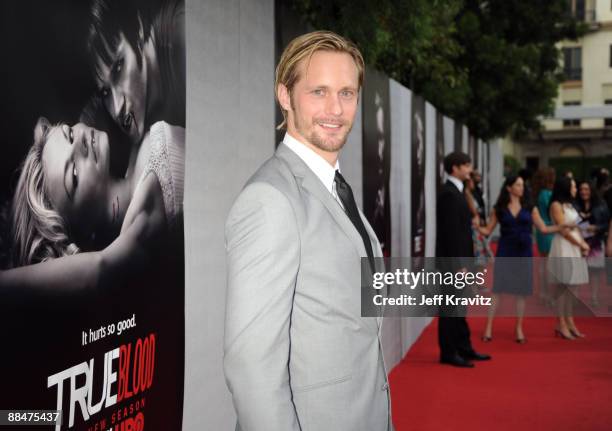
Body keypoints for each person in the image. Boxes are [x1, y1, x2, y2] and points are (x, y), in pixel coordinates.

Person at [223, 31, 390, 430]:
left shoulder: (335, 189)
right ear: (286, 96)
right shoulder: (270, 199)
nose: (335, 108)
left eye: (347, 93)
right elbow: (252, 368)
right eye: (319, 92)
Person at [0, 117, 184, 288]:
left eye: (69, 135)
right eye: (74, 174)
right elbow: (100, 268)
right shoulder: (141, 216)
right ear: (84, 233)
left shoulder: (134, 151)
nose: (81, 143)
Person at [478, 176, 567, 343]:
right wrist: (474, 225)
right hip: (505, 251)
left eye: (522, 185)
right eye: (518, 185)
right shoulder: (499, 208)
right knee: (497, 290)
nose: (522, 188)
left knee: (521, 292)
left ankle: (518, 328)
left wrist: (562, 226)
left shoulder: (530, 207)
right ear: (509, 188)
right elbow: (488, 230)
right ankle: (488, 327)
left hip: (524, 252)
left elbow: (543, 228)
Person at [87, 0, 185, 149]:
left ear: (138, 31)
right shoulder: (104, 119)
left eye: (118, 69)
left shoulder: (180, 38)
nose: (117, 106)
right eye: (105, 91)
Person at [436, 151, 491, 368]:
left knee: (460, 307)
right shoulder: (449, 194)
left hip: (461, 262)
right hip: (453, 264)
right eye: (466, 165)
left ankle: (463, 348)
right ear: (455, 168)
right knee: (451, 308)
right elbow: (451, 234)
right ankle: (449, 352)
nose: (470, 169)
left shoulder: (458, 191)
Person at [547, 177, 589, 339]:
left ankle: (570, 321)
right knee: (562, 288)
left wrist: (584, 243)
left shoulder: (570, 205)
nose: (575, 189)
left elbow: (579, 227)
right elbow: (563, 230)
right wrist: (580, 244)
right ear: (565, 187)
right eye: (573, 186)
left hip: (574, 246)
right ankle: (561, 323)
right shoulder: (556, 205)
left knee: (573, 288)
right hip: (563, 247)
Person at [576, 181, 609, 307]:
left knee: (595, 271)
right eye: (581, 189)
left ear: (592, 190)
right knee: (578, 270)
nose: (584, 192)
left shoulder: (601, 204)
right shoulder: (575, 205)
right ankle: (576, 297)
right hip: (578, 241)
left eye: (587, 189)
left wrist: (596, 227)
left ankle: (594, 298)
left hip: (595, 242)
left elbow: (606, 223)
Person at [532, 167, 556, 305]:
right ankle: (546, 294)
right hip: (548, 229)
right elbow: (551, 210)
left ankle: (543, 292)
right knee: (547, 264)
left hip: (542, 229)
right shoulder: (546, 193)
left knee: (543, 262)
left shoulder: (539, 193)